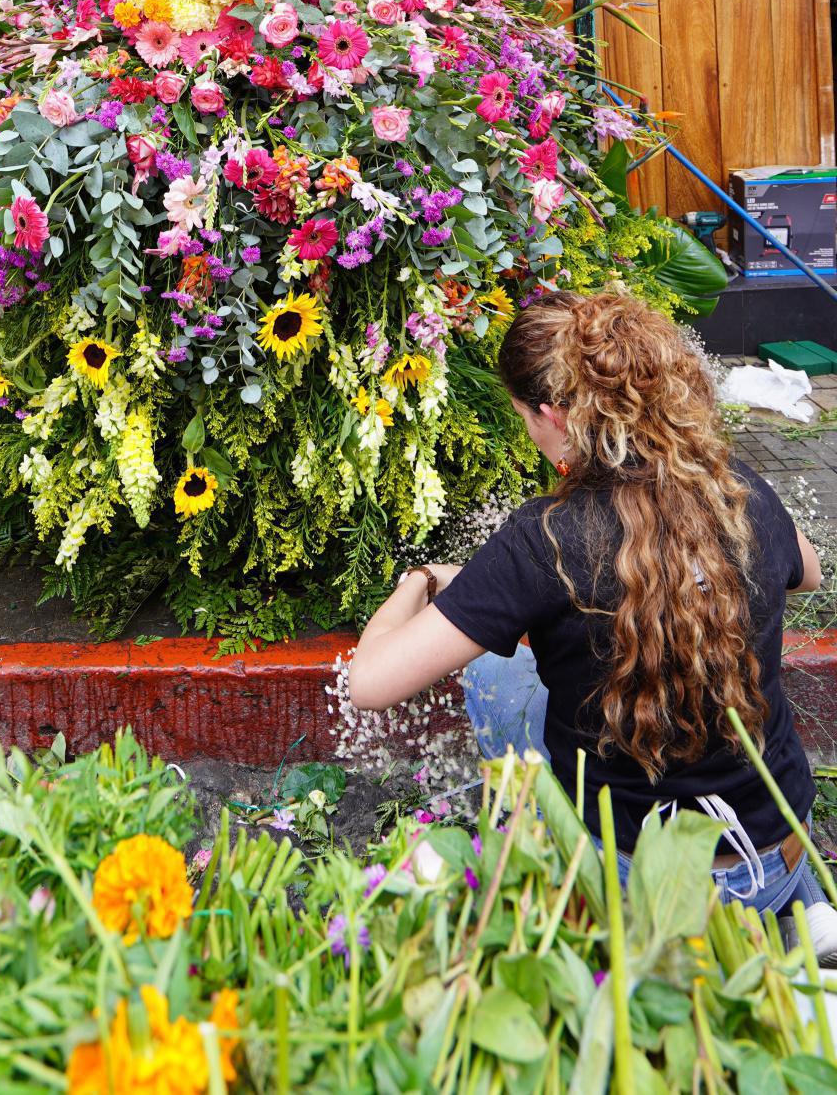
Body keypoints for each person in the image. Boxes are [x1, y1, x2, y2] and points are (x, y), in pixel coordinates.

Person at [348, 286, 828, 919]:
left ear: (551, 412)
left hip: (642, 883)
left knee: (495, 672)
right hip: (780, 847)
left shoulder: (545, 540)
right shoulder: (736, 485)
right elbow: (809, 574)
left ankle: (567, 888)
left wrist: (419, 581)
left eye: (523, 417)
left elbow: (368, 683)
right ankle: (804, 908)